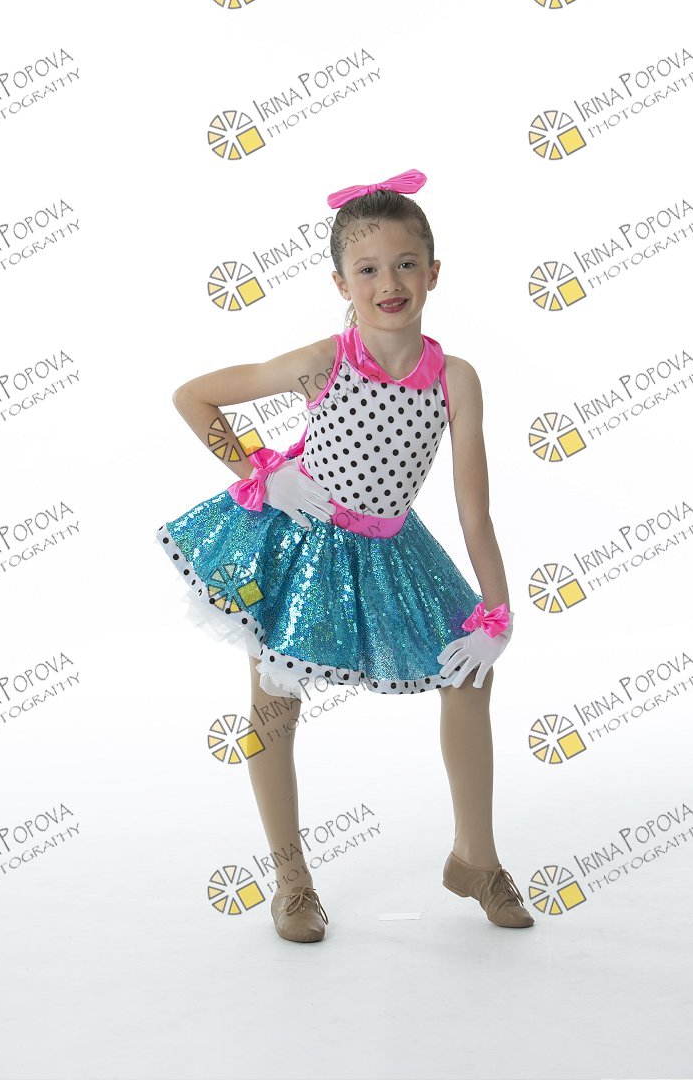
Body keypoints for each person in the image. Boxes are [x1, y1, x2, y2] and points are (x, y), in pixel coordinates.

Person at [156, 167, 534, 942]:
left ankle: (476, 859)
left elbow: (474, 509)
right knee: (274, 700)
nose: (388, 283)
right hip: (296, 542)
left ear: (434, 272)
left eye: (405, 264)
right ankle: (292, 880)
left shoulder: (456, 380)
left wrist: (497, 612)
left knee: (470, 674)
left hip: (392, 548)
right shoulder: (323, 361)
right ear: (341, 283)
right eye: (368, 269)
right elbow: (194, 395)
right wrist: (263, 471)